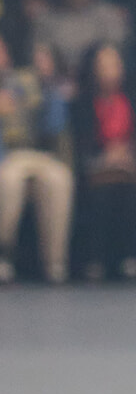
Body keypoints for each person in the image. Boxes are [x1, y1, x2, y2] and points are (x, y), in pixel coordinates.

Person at [72, 42, 136, 281]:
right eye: (104, 64)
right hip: (97, 165)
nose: (110, 69)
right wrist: (106, 156)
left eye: (115, 63)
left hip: (130, 165)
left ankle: (132, 258)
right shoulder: (82, 103)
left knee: (133, 192)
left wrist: (128, 154)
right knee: (100, 193)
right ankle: (95, 260)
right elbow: (81, 143)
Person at [0, 35, 74, 283]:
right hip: (8, 155)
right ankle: (4, 255)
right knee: (8, 181)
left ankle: (54, 262)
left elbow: (54, 131)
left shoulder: (36, 85)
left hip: (39, 154)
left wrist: (50, 92)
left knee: (60, 179)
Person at [31, 0, 129, 81]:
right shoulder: (47, 19)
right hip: (58, 83)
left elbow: (116, 52)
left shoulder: (108, 15)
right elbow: (40, 51)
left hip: (99, 82)